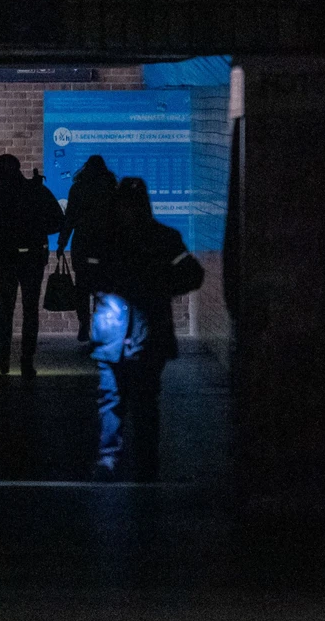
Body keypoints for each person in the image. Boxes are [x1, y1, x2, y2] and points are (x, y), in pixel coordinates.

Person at [87, 178, 204, 482]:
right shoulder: (164, 238)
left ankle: (112, 460)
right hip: (148, 331)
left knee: (114, 399)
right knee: (143, 400)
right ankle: (145, 464)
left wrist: (118, 290)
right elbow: (192, 274)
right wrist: (158, 289)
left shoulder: (105, 239)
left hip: (115, 332)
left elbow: (91, 277)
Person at [0, 154, 64, 378]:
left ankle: (3, 358)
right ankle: (27, 360)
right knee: (30, 309)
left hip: (6, 257)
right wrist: (36, 229)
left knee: (5, 309)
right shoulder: (36, 190)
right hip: (33, 257)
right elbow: (57, 220)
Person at [57, 155, 119, 342]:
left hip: (82, 242)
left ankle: (84, 324)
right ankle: (101, 326)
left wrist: (62, 243)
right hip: (105, 244)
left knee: (82, 286)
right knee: (103, 287)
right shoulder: (112, 189)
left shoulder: (78, 188)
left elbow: (69, 219)